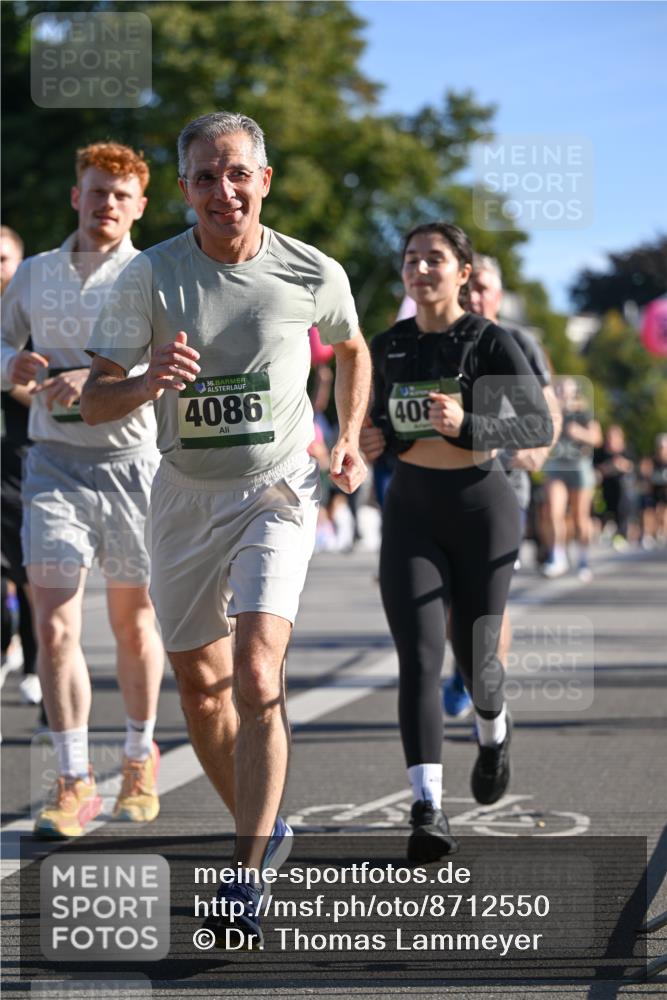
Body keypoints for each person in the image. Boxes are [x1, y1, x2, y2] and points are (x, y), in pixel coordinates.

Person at [80, 112, 371, 947]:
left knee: (253, 669)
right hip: (181, 496)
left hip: (275, 491)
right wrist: (144, 383)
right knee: (201, 690)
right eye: (204, 177)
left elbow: (350, 351)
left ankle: (243, 875)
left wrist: (346, 436)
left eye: (237, 173)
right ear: (183, 190)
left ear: (264, 180)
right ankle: (267, 825)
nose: (223, 190)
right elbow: (91, 400)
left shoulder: (312, 271)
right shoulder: (148, 277)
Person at [361, 222, 552, 863]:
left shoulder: (488, 341)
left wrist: (468, 421)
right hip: (412, 512)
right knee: (417, 659)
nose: (421, 269)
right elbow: (373, 425)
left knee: (477, 665)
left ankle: (494, 737)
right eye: (411, 259)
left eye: (435, 259)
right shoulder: (388, 346)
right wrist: (369, 441)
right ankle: (427, 807)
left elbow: (534, 422)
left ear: (463, 272)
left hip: (481, 509)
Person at [1, 143, 164, 838]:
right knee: (55, 624)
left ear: (140, 207)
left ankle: (137, 757)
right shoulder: (35, 273)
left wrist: (98, 383)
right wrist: (18, 362)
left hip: (132, 465)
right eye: (97, 192)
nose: (107, 205)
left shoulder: (155, 274)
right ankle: (71, 781)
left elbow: (175, 362)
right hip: (54, 465)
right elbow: (0, 344)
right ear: (77, 196)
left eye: (121, 196)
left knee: (132, 624)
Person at [444, 254, 561, 717]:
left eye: (484, 288)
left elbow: (549, 411)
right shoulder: (440, 340)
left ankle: (487, 687)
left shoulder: (520, 342)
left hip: (505, 483)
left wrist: (539, 449)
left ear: (498, 294)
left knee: (490, 596)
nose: (474, 296)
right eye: (468, 287)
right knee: (455, 594)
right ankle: (463, 668)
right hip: (448, 480)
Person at [0, 225, 41, 708]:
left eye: (3, 258)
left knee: (34, 577)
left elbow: (53, 399)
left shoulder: (37, 319)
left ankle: (35, 667)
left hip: (23, 463)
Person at [541, 377, 602, 580]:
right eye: (559, 390)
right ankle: (557, 556)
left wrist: (579, 433)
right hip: (556, 466)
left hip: (579, 467)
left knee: (580, 517)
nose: (562, 394)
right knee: (553, 511)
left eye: (566, 391)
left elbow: (596, 438)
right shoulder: (550, 413)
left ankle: (583, 559)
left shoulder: (583, 413)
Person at [594, 425, 635, 548]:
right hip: (604, 490)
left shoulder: (626, 451)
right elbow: (596, 469)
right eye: (610, 437)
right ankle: (603, 532)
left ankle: (621, 536)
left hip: (621, 489)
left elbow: (632, 467)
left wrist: (622, 464)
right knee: (602, 511)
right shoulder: (600, 452)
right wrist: (609, 467)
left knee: (622, 508)